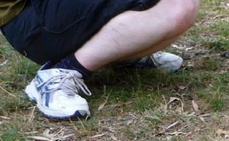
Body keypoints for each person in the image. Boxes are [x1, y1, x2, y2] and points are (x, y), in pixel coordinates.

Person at [0, 0, 199, 120]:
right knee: (175, 6)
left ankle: (118, 50)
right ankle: (60, 72)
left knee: (181, 6)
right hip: (31, 21)